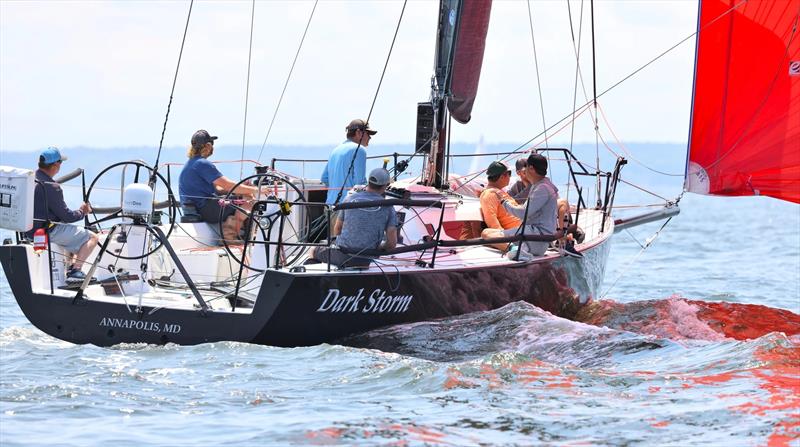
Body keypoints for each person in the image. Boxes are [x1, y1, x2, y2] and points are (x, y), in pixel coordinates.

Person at [28, 147, 98, 282]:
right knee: (92, 237)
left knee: (71, 232)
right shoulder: (52, 186)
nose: (60, 165)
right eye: (60, 162)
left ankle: (70, 268)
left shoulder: (30, 179)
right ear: (55, 165)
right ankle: (76, 271)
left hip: (30, 231)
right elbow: (68, 217)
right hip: (47, 232)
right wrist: (82, 212)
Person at [178, 130, 262, 240]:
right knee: (248, 201)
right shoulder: (203, 164)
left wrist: (243, 189)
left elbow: (219, 189)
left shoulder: (192, 162)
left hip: (196, 208)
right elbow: (228, 185)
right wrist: (256, 190)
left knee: (243, 196)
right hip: (205, 209)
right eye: (212, 144)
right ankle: (231, 238)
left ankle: (236, 234)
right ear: (208, 146)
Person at [311, 168, 397, 267]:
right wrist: (380, 246)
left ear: (368, 182)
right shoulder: (389, 207)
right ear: (385, 186)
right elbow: (391, 244)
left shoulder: (350, 199)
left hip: (343, 254)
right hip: (367, 259)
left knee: (313, 250)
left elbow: (337, 229)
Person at [490, 153, 559, 258]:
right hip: (536, 236)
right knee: (489, 233)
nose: (524, 171)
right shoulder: (540, 185)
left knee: (487, 235)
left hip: (536, 239)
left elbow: (523, 213)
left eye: (526, 167)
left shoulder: (542, 188)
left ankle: (519, 251)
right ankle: (520, 248)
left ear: (531, 168)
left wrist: (504, 203)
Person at [320, 119, 377, 206]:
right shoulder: (360, 149)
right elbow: (360, 183)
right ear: (358, 133)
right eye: (368, 133)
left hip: (329, 206)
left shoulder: (336, 150)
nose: (370, 137)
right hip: (347, 209)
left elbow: (324, 178)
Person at [479, 161, 522, 250]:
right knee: (486, 233)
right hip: (517, 235)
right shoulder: (489, 194)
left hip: (525, 230)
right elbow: (493, 223)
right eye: (509, 173)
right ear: (502, 176)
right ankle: (514, 250)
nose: (510, 177)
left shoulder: (499, 192)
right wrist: (503, 240)